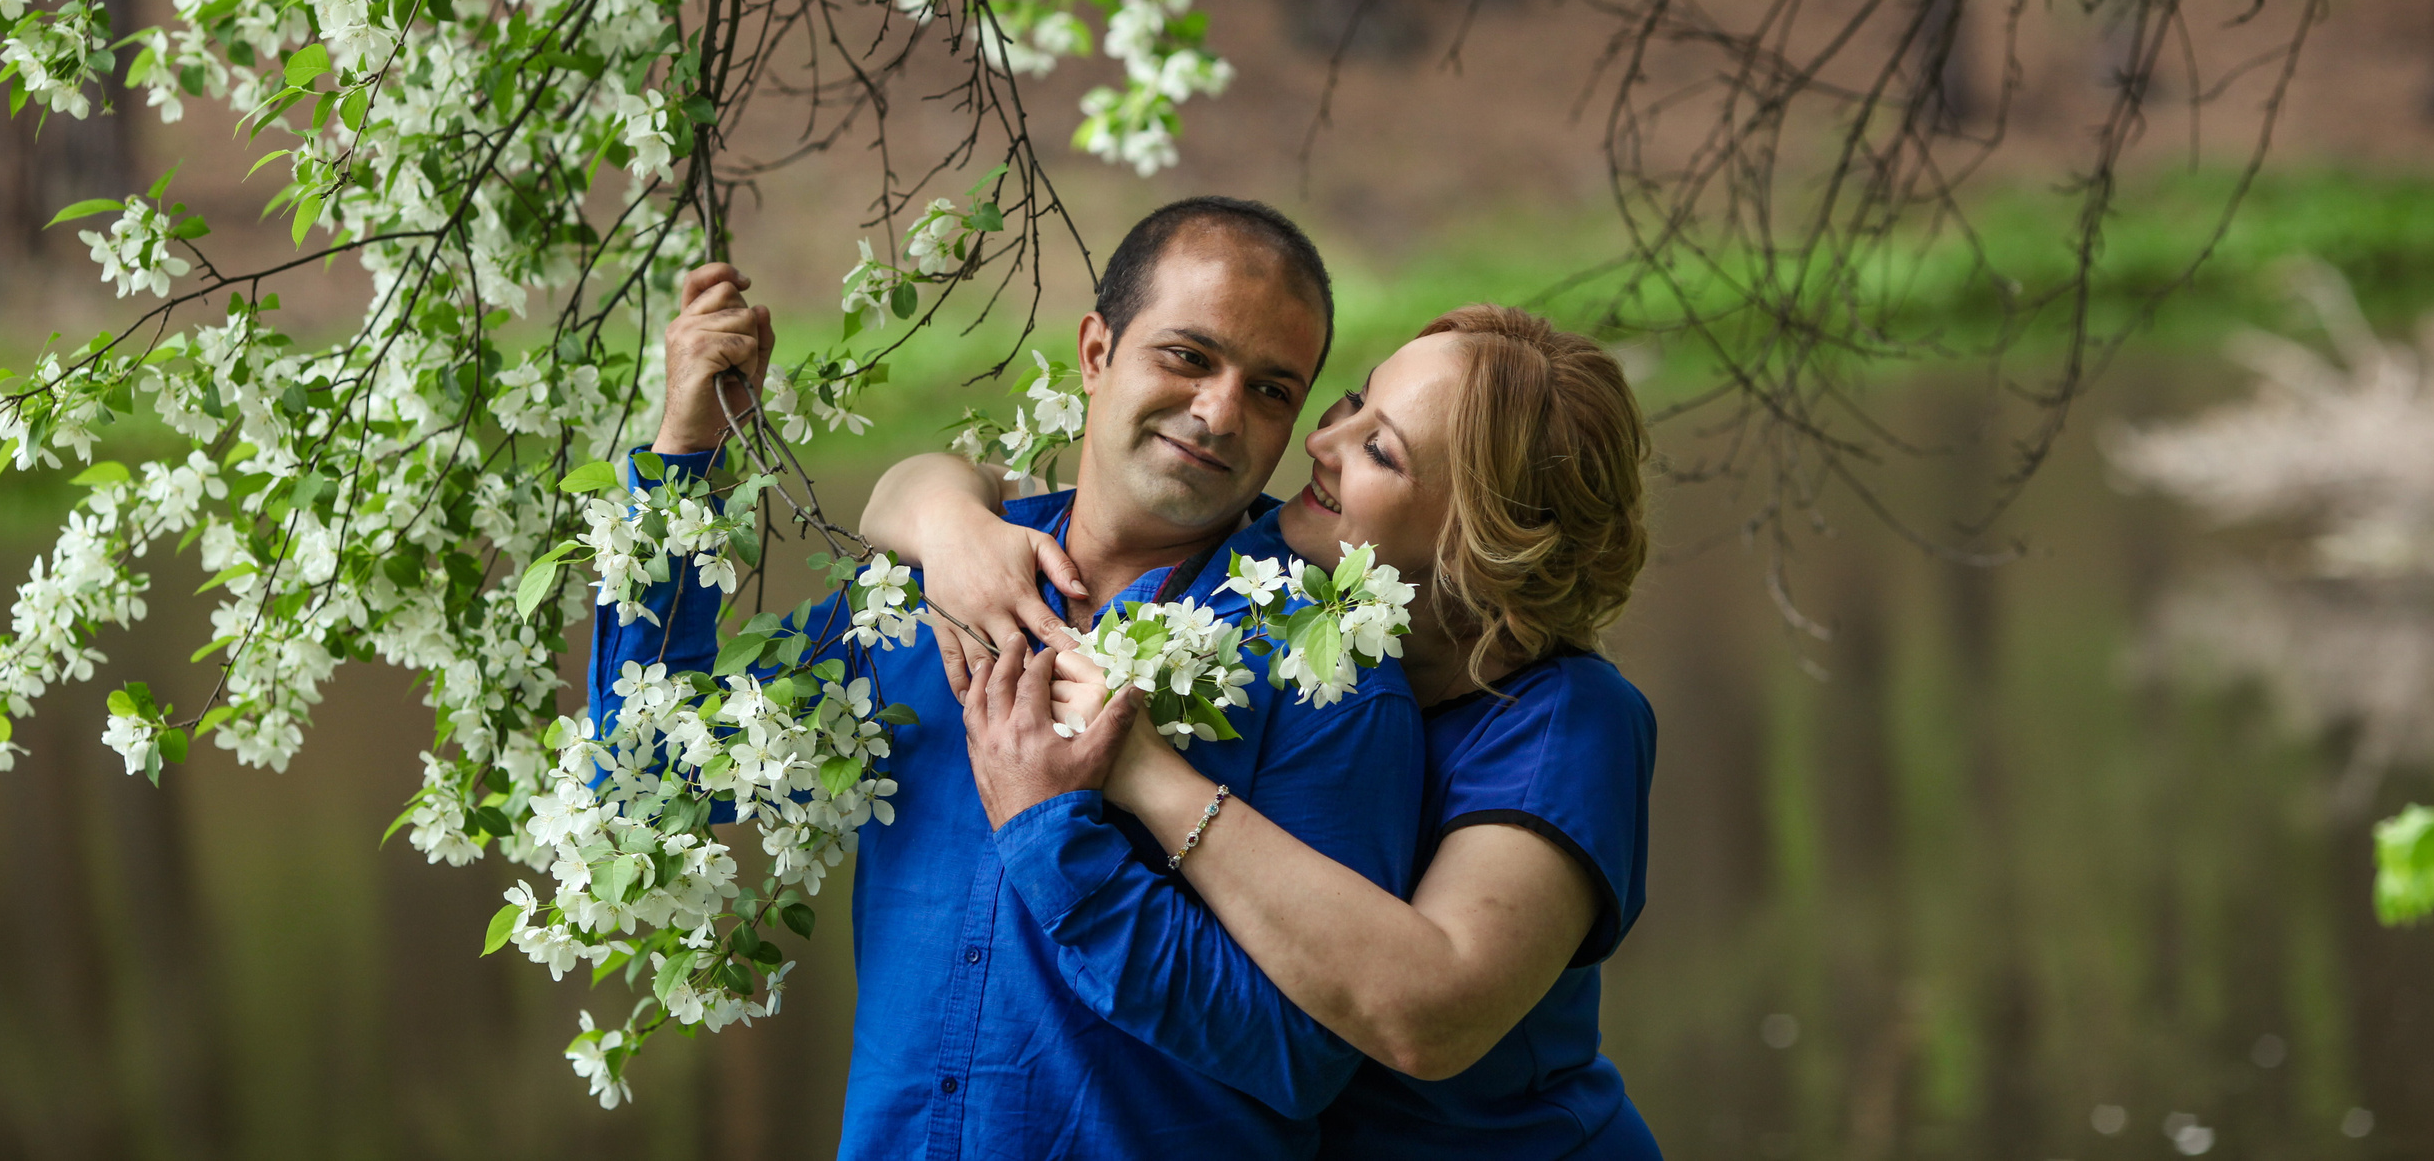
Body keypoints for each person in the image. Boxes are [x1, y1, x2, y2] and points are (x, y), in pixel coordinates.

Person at [585, 197, 1426, 1161]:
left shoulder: (1323, 664)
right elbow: (643, 777)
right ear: (1097, 351)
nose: (1221, 411)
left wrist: (1055, 842)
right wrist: (689, 447)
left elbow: (1304, 1054)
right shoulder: (921, 591)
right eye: (1188, 356)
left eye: (1272, 390)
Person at [879, 304, 1662, 1158]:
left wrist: (1142, 768)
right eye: (1353, 402)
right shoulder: (1289, 585)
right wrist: (949, 526)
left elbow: (1430, 1015)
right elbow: (942, 483)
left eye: (1380, 449)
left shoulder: (1567, 720)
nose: (1322, 444)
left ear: (1478, 539)